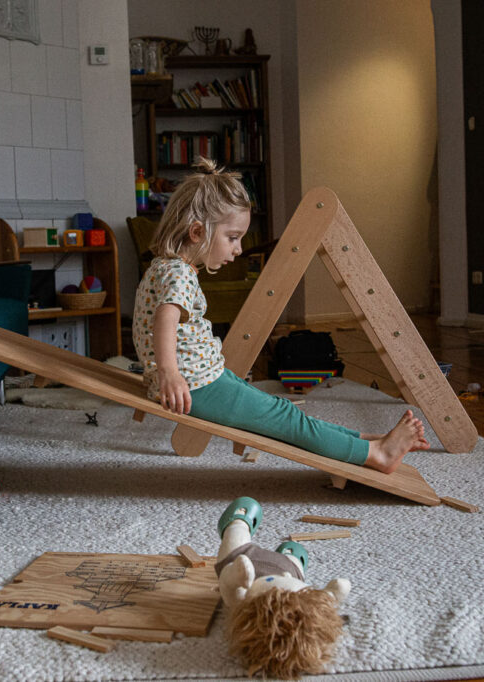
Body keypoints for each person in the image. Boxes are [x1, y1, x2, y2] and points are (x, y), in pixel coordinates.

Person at [131, 157, 429, 473]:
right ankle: (376, 455)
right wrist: (169, 373)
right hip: (195, 386)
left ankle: (362, 442)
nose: (237, 248)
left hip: (201, 379)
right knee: (285, 420)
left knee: (283, 412)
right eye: (232, 237)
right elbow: (164, 319)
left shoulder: (164, 267)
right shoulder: (179, 274)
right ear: (196, 232)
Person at [215, 496, 347, 678]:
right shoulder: (310, 608)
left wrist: (237, 574)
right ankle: (289, 555)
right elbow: (328, 599)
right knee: (295, 560)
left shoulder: (243, 602)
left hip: (243, 556)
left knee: (235, 541)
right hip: (288, 568)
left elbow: (227, 584)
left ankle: (237, 524)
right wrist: (332, 593)